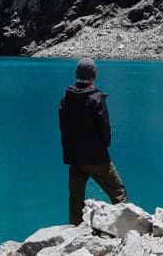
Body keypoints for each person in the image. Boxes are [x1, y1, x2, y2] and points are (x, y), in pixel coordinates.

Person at [58, 57, 127, 225]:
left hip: (75, 156)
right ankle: (125, 226)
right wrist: (104, 145)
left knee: (76, 197)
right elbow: (104, 127)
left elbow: (63, 125)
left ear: (76, 74)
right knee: (117, 191)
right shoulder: (95, 97)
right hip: (97, 156)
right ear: (94, 75)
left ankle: (75, 227)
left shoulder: (67, 97)